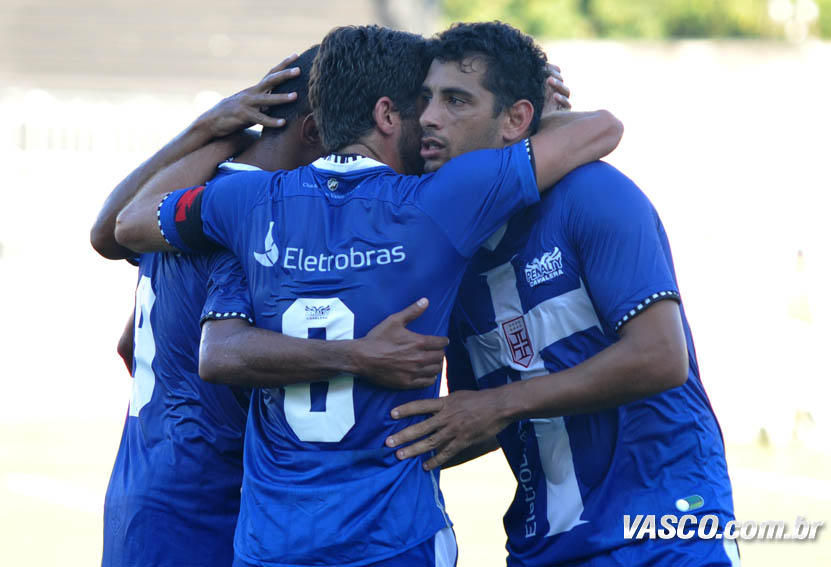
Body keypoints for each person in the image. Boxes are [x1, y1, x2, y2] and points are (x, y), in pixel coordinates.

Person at [113, 24, 622, 567]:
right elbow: (602, 129)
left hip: (272, 544)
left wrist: (222, 129)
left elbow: (127, 223)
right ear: (386, 116)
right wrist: (529, 112)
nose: (432, 120)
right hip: (394, 541)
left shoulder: (245, 200)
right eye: (422, 104)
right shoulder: (440, 201)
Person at [383, 22, 739, 567]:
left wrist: (497, 405)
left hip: (665, 534)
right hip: (543, 547)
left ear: (516, 120)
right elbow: (475, 414)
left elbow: (661, 357)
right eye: (425, 99)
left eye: (456, 100)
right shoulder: (450, 247)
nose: (429, 117)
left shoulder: (594, 194)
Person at [91, 47, 449, 567]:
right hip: (208, 504)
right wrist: (356, 357)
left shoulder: (190, 199)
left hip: (141, 486)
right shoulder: (253, 215)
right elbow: (220, 354)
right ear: (314, 131)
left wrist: (214, 130)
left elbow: (129, 332)